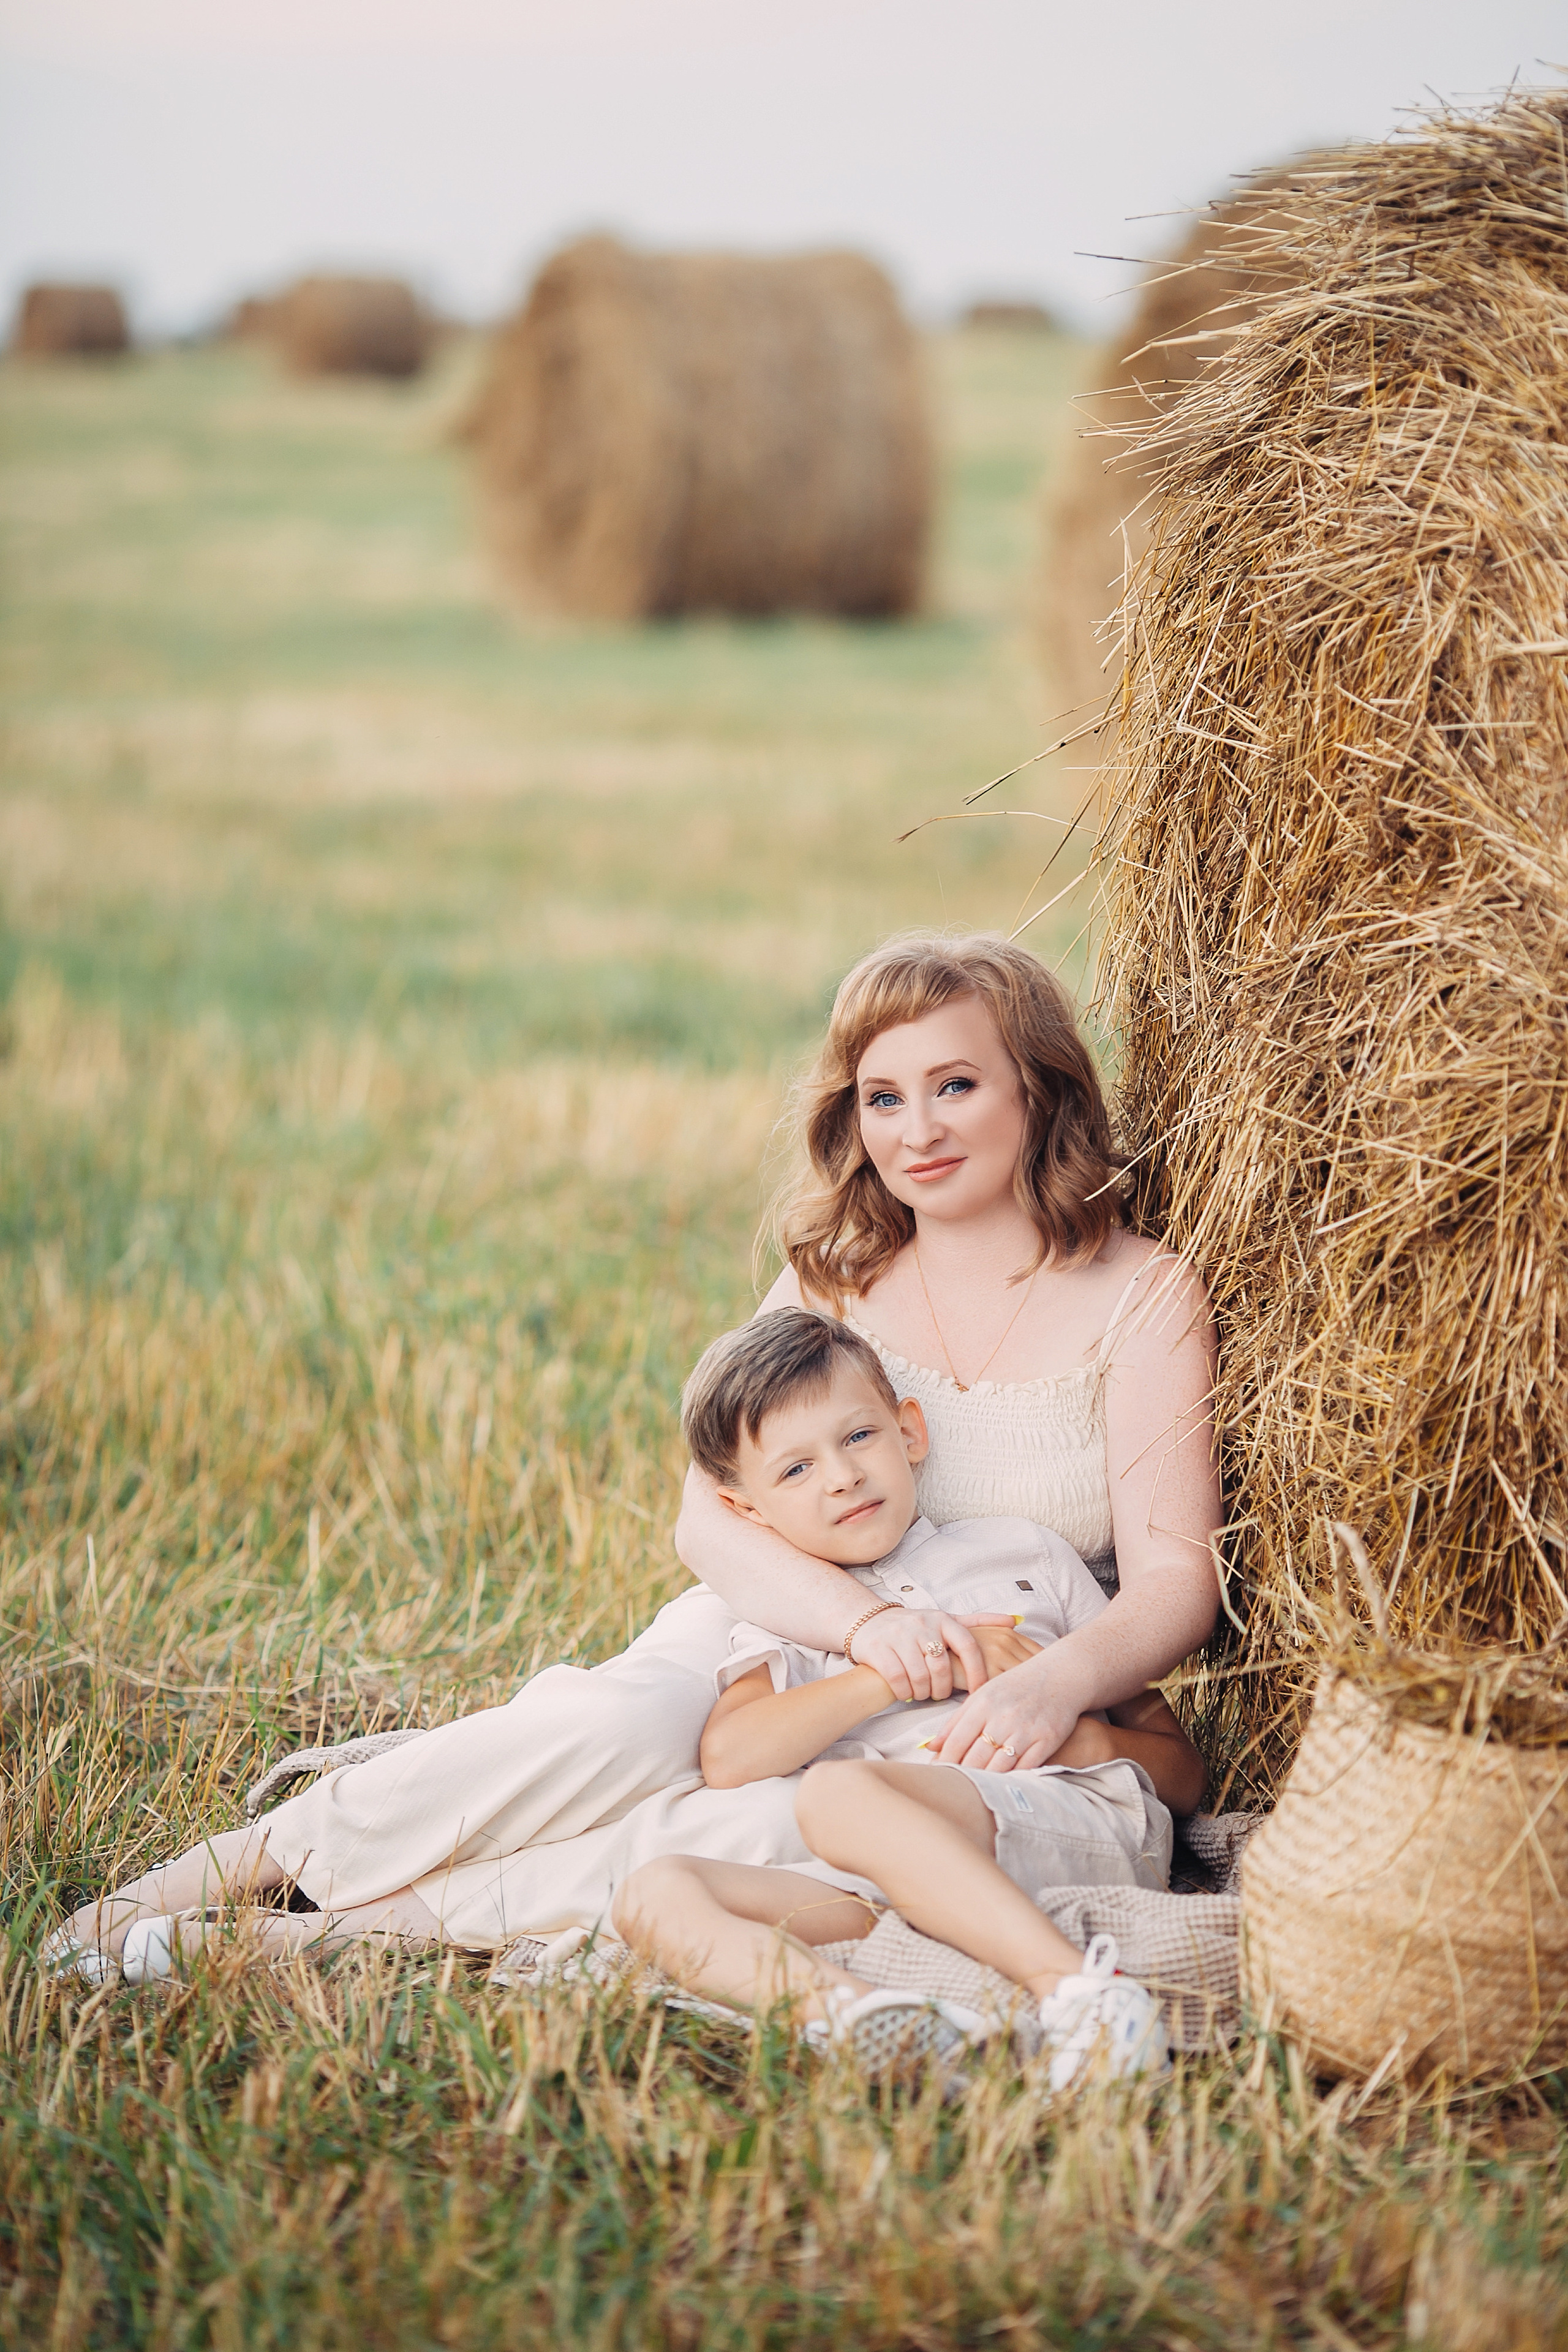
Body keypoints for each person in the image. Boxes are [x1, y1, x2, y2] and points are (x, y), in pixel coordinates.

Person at [48, 932, 1219, 1976]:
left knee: (752, 1828)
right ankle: (227, 1870)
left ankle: (343, 1934)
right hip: (785, 1623)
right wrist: (860, 1629)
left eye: (955, 1085)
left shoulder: (1139, 1293)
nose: (917, 1131)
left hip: (990, 1655)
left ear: (1038, 1086)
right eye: (883, 1097)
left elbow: (1175, 1576)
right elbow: (708, 1518)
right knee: (604, 1733)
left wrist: (1055, 1684)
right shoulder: (836, 1276)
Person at [612, 1308, 1200, 2083]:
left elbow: (1185, 1775)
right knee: (653, 1893)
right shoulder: (789, 1617)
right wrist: (890, 1671)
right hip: (891, 1886)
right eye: (795, 1471)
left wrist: (1085, 1739)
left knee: (836, 1794)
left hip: (1066, 1816)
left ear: (909, 1433)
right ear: (747, 1511)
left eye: (858, 1437)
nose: (841, 1477)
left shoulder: (1023, 1554)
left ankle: (1084, 1995)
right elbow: (730, 1757)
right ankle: (872, 2022)